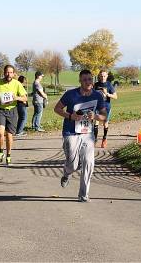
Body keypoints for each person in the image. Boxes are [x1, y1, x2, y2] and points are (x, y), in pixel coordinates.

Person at [54, 69, 106, 202]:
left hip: (87, 134)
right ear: (80, 81)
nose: (88, 82)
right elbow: (57, 109)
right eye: (85, 80)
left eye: (90, 79)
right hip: (71, 133)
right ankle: (67, 173)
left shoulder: (98, 96)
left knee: (89, 162)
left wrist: (95, 116)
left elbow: (104, 116)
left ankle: (83, 195)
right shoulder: (71, 94)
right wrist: (71, 116)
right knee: (73, 164)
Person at [0, 65, 27, 165]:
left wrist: (16, 98)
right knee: (1, 133)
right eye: (7, 72)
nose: (8, 74)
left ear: (14, 74)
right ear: (4, 73)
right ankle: (1, 151)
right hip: (1, 110)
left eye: (10, 72)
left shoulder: (17, 84)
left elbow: (25, 98)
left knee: (9, 135)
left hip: (12, 111)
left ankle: (9, 155)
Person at [93, 69, 117, 148]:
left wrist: (107, 94)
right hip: (97, 107)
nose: (103, 77)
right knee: (96, 123)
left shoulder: (109, 85)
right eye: (101, 76)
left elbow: (116, 96)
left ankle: (104, 139)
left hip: (106, 107)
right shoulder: (95, 85)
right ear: (99, 76)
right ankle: (95, 139)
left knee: (105, 124)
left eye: (104, 76)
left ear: (107, 76)